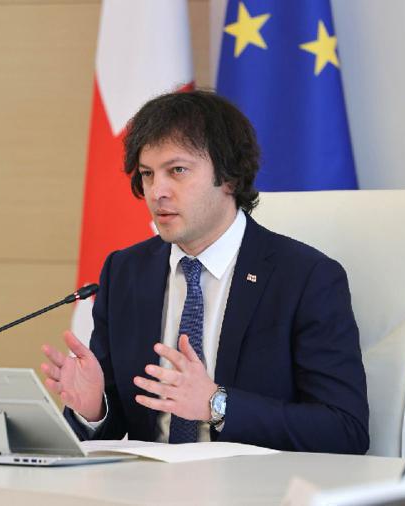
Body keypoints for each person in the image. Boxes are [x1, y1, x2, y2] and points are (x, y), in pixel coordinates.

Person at [41, 90, 369, 453]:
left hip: (253, 482)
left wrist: (216, 404)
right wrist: (94, 409)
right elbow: (121, 414)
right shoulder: (125, 272)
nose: (157, 192)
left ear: (229, 177)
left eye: (177, 171)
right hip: (148, 481)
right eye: (148, 174)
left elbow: (345, 430)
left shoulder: (305, 278)